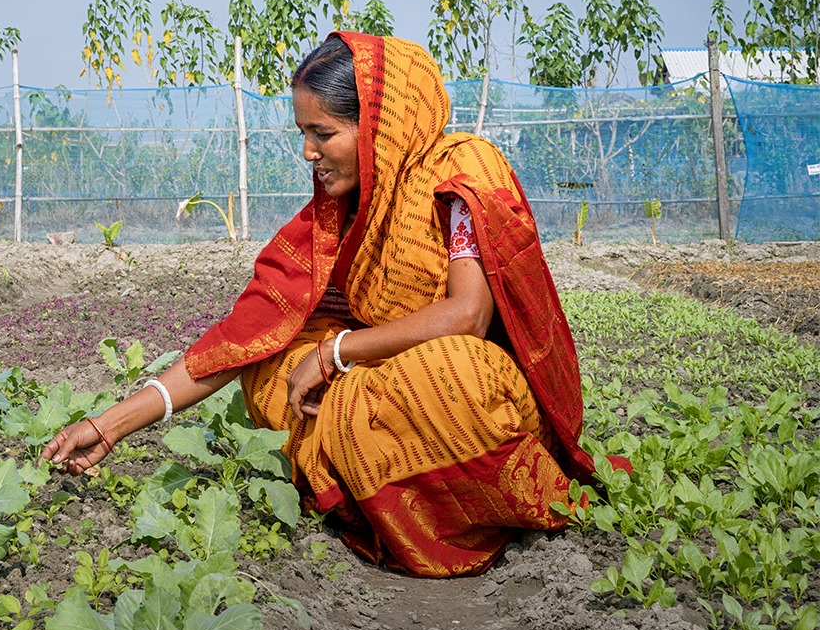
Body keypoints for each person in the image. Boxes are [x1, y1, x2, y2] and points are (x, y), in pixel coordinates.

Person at [43, 32, 599, 577]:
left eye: (322, 133)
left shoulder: (461, 171)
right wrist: (113, 424)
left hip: (473, 388)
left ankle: (403, 481)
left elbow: (467, 317)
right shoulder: (336, 214)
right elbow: (243, 334)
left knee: (449, 373)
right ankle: (371, 478)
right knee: (268, 365)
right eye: (303, 133)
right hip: (380, 379)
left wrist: (338, 351)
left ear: (378, 129)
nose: (309, 153)